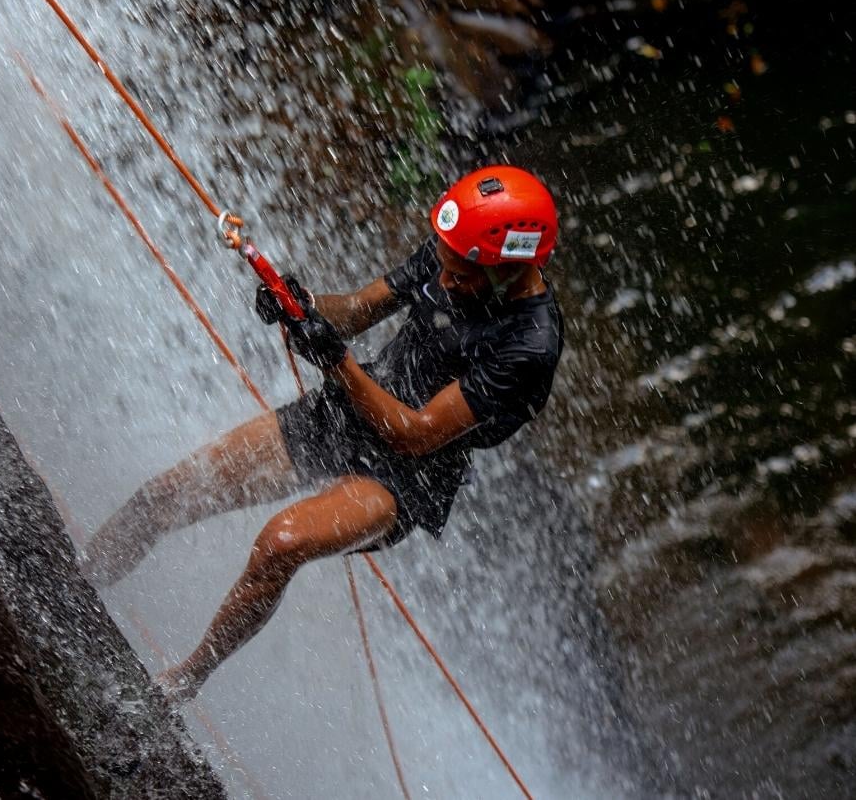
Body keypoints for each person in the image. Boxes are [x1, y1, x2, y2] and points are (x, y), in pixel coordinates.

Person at [80, 165, 564, 700]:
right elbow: (355, 310)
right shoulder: (457, 251)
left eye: (463, 274)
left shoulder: (530, 345)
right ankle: (77, 580)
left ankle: (180, 682)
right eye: (444, 263)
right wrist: (302, 305)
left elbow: (416, 434)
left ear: (516, 266)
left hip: (405, 476)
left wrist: (335, 361)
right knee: (167, 494)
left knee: (280, 544)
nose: (447, 280)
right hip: (349, 409)